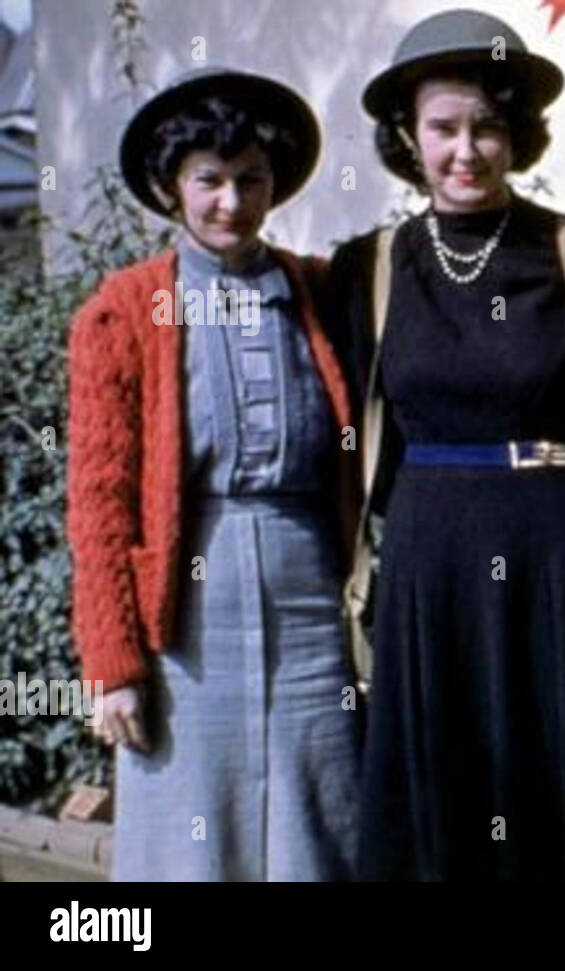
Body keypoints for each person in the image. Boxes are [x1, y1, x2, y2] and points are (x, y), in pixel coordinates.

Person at [329, 9, 565, 879]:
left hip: (557, 561)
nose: (467, 150)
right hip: (429, 570)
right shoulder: (367, 268)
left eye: (489, 126)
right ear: (408, 137)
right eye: (443, 127)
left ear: (518, 132)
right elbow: (358, 441)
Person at [66, 66, 361, 881]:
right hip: (187, 604)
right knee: (190, 837)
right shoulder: (123, 311)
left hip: (311, 596)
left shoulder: (320, 292)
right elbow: (98, 501)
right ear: (172, 188)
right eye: (210, 180)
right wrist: (114, 667)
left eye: (252, 180)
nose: (232, 201)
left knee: (320, 814)